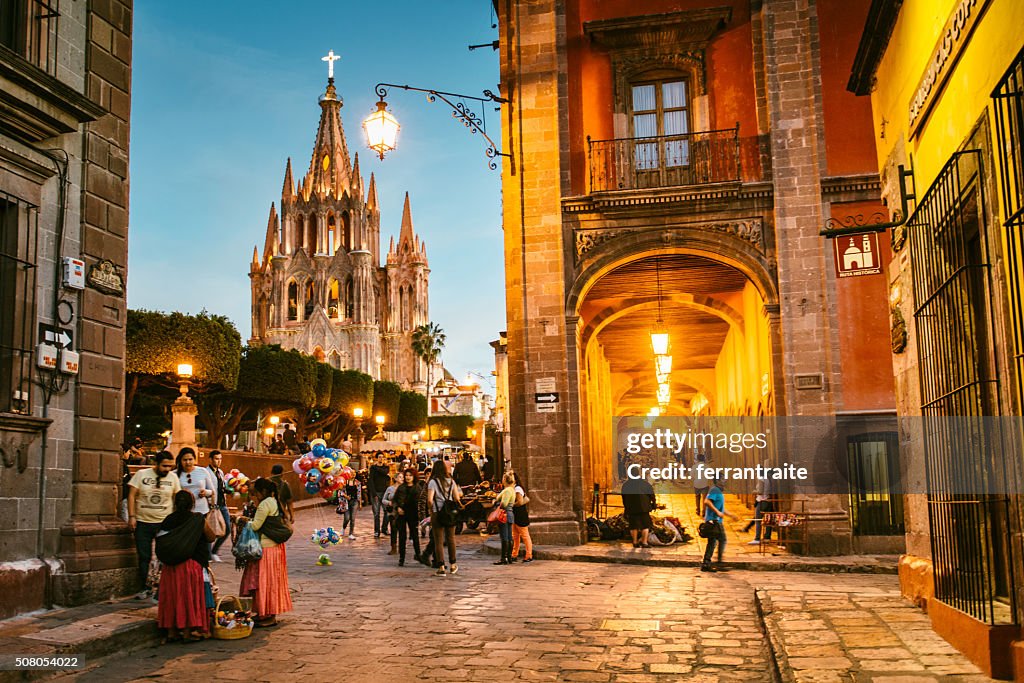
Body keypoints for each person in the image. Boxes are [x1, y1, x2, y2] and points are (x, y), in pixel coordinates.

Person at [155, 490, 216, 643]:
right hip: (191, 566)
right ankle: (188, 633)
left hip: (171, 567)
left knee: (173, 598)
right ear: (192, 504)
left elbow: (161, 541)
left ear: (175, 504)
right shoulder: (196, 519)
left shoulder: (168, 520)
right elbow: (211, 537)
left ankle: (171, 632)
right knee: (187, 597)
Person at [239, 478, 293, 626]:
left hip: (267, 548)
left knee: (264, 582)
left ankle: (267, 615)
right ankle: (266, 613)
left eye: (255, 492)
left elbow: (255, 526)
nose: (253, 495)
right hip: (274, 548)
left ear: (262, 491)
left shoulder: (264, 504)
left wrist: (242, 521)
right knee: (271, 582)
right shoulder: (273, 501)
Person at [127, 451, 181, 598]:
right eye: (164, 466)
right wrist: (132, 516)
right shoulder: (142, 474)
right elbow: (131, 494)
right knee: (144, 556)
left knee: (163, 556)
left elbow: (177, 498)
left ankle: (162, 587)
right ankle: (144, 587)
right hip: (143, 521)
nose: (167, 469)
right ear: (155, 464)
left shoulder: (173, 477)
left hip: (164, 523)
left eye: (170, 466)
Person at [426, 459, 463, 576]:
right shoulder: (451, 481)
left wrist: (431, 511)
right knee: (451, 539)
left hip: (437, 513)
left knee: (438, 541)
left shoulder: (433, 482)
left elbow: (429, 500)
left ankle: (441, 567)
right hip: (450, 513)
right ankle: (453, 565)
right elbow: (457, 498)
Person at [702, 479, 739, 572]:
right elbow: (707, 502)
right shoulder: (715, 490)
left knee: (712, 542)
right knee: (722, 539)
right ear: (717, 480)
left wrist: (730, 514)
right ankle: (718, 562)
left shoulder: (718, 491)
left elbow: (721, 507)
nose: (725, 481)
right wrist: (717, 512)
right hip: (714, 521)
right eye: (722, 479)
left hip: (715, 520)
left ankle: (706, 563)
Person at [393, 469, 422, 566]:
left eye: (410, 475)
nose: (408, 477)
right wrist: (397, 508)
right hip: (401, 514)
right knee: (402, 536)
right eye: (406, 475)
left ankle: (418, 554)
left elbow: (420, 502)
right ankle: (402, 558)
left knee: (414, 535)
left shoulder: (417, 488)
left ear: (414, 477)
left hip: (413, 514)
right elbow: (395, 500)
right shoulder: (401, 488)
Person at [207, 450, 231, 562]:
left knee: (227, 529)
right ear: (211, 459)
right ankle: (208, 554)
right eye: (216, 459)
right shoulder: (206, 472)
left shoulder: (220, 472)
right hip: (212, 505)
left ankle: (214, 551)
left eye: (220, 459)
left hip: (222, 504)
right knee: (210, 531)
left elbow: (222, 487)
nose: (219, 461)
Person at [175, 448, 215, 516]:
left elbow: (212, 491)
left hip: (201, 512)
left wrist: (206, 492)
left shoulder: (203, 471)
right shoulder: (174, 474)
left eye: (190, 459)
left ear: (194, 459)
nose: (188, 462)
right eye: (185, 460)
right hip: (183, 513)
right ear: (180, 460)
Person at [742, 461, 774, 545]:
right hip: (767, 501)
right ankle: (767, 537)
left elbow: (760, 491)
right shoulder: (767, 479)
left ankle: (757, 538)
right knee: (768, 521)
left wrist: (754, 491)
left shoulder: (761, 479)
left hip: (761, 501)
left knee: (758, 520)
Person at [622, 474, 657, 548]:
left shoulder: (625, 485)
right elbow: (652, 495)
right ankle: (644, 542)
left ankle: (635, 542)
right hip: (643, 507)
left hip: (631, 508)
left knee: (633, 525)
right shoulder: (645, 484)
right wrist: (653, 504)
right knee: (645, 525)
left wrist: (626, 507)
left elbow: (624, 498)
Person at [491, 473, 517, 565]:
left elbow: (504, 504)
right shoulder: (512, 490)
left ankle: (503, 558)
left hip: (504, 514)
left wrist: (496, 502)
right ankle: (509, 557)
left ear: (505, 480)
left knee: (504, 537)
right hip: (510, 514)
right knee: (509, 536)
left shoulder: (507, 491)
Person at [510, 472, 533, 563]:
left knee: (524, 535)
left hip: (520, 514)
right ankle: (514, 554)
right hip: (516, 515)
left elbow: (519, 502)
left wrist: (510, 505)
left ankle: (529, 555)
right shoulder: (514, 488)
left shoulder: (517, 489)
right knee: (515, 536)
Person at [368, 455, 392, 539]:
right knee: (376, 513)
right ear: (377, 458)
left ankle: (384, 528)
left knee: (387, 512)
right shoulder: (372, 468)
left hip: (385, 492)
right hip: (376, 492)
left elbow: (384, 472)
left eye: (383, 457)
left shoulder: (386, 467)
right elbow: (371, 480)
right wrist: (374, 493)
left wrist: (375, 467)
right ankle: (376, 531)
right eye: (379, 457)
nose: (381, 458)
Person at [382, 473, 400, 554]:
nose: (402, 478)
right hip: (392, 512)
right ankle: (393, 547)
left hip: (401, 511)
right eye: (400, 477)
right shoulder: (390, 488)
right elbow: (383, 500)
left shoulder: (404, 488)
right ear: (395, 479)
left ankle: (401, 547)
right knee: (393, 529)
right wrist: (389, 503)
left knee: (402, 530)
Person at [343, 475, 362, 539]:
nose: (353, 475)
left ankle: (351, 533)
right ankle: (343, 528)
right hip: (346, 502)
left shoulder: (357, 482)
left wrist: (360, 503)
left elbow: (359, 493)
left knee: (352, 518)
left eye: (354, 473)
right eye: (351, 473)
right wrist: (346, 497)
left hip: (355, 501)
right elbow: (341, 492)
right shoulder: (345, 482)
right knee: (347, 518)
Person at [693, 451, 710, 517]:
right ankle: (704, 512)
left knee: (697, 497)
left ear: (697, 459)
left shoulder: (694, 466)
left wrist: (696, 478)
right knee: (704, 498)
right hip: (705, 484)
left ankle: (698, 510)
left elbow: (692, 475)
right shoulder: (707, 466)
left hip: (696, 484)